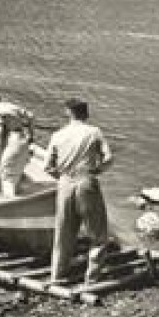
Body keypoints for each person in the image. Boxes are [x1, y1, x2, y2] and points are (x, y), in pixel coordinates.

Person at [44, 97, 113, 287]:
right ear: (87, 114)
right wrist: (97, 170)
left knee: (63, 234)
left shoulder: (58, 135)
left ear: (68, 113)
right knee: (97, 235)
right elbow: (109, 158)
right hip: (86, 181)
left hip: (65, 183)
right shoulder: (94, 132)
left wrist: (62, 177)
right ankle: (91, 279)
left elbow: (47, 167)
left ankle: (57, 276)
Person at [0, 90, 35, 196]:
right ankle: (17, 199)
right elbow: (31, 116)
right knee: (16, 174)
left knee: (6, 174)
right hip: (23, 140)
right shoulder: (10, 105)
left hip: (13, 141)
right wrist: (31, 136)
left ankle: (9, 203)